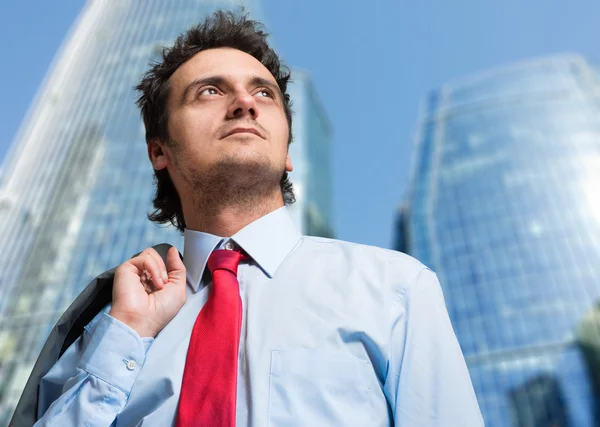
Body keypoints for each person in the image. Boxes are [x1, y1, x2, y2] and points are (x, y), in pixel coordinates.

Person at [23, 10, 483, 426]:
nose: (246, 103)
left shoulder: (393, 289)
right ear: (159, 150)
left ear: (287, 152)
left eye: (264, 92)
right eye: (209, 90)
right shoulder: (108, 328)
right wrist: (127, 333)